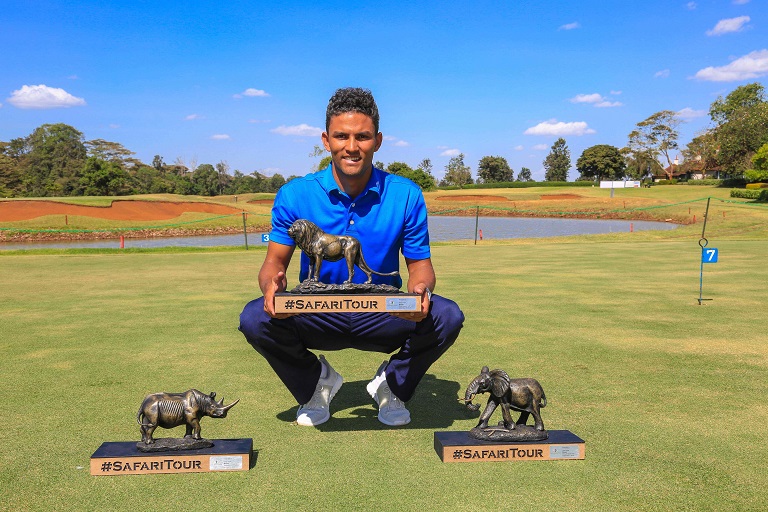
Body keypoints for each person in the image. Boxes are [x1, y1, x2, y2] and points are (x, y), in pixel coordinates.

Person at [239, 87, 464, 427]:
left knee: (446, 315)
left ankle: (391, 383)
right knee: (255, 317)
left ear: (378, 140)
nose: (352, 146)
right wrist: (271, 283)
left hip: (383, 315)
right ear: (326, 140)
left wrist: (421, 291)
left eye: (363, 136)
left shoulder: (407, 194)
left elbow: (420, 268)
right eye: (341, 136)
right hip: (316, 313)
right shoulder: (294, 194)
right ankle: (317, 382)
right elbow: (273, 263)